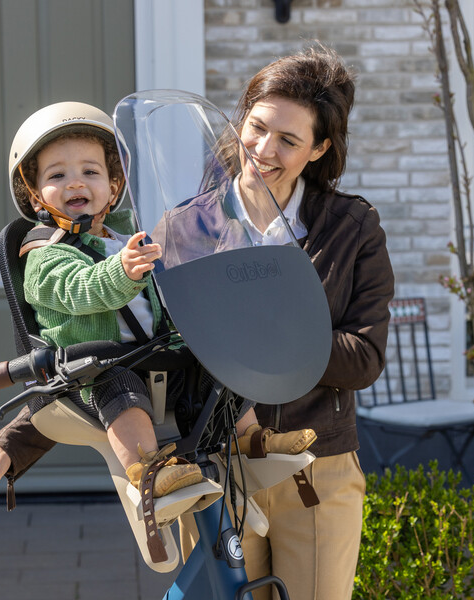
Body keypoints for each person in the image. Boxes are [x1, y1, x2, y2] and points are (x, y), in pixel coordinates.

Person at [0, 101, 316, 505]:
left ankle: (253, 440)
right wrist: (124, 271)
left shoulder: (129, 230)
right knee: (121, 391)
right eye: (57, 175)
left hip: (157, 354)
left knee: (217, 365)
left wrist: (215, 263)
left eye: (90, 172)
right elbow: (79, 288)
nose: (75, 183)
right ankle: (151, 469)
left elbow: (176, 273)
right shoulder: (43, 253)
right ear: (33, 194)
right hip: (97, 368)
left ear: (114, 185)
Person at [156, 44, 393, 600]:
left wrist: (272, 324)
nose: (263, 149)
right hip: (216, 466)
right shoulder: (184, 228)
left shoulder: (352, 227)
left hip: (315, 464)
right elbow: (145, 345)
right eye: (256, 128)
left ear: (319, 149)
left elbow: (365, 358)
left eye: (289, 140)